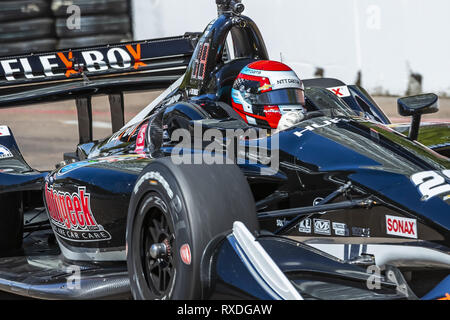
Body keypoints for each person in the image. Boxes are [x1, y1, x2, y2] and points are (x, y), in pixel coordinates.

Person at [231, 60, 307, 132]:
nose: (292, 109)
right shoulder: (235, 136)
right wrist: (280, 135)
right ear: (247, 97)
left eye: (295, 97)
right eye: (276, 97)